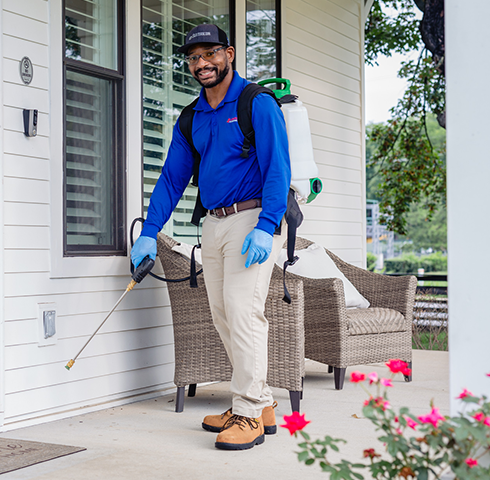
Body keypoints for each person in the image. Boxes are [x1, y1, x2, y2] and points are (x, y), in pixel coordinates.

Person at [131, 24, 291, 451]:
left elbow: (279, 167)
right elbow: (171, 178)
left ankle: (248, 412)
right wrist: (149, 232)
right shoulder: (192, 116)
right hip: (214, 223)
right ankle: (263, 403)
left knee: (242, 311)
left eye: (210, 53)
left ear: (230, 54)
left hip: (252, 218)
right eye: (193, 57)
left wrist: (267, 224)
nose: (201, 63)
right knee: (223, 313)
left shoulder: (256, 103)